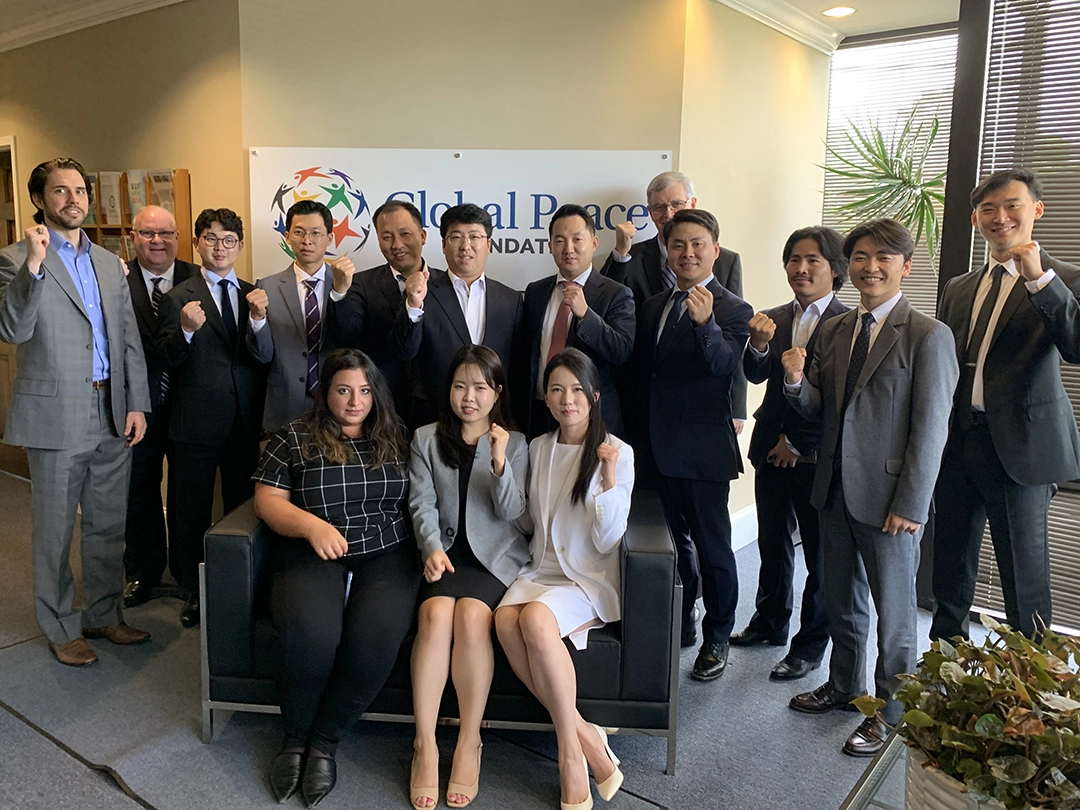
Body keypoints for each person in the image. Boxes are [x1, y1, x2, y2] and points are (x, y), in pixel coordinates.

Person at [784, 219, 958, 757]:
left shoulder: (929, 335)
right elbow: (819, 410)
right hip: (833, 490)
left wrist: (911, 504)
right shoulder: (836, 331)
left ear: (906, 266)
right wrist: (793, 382)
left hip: (889, 503)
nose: (871, 266)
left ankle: (892, 714)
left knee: (896, 615)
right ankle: (843, 688)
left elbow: (932, 430)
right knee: (843, 602)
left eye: (884, 257)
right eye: (861, 256)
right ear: (848, 266)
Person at [0, 157, 150, 666]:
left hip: (112, 406)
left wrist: (137, 404)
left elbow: (127, 339)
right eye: (60, 191)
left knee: (108, 523)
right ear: (40, 200)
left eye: (80, 190)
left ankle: (104, 613)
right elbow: (12, 329)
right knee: (55, 528)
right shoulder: (16, 258)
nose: (74, 199)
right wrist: (35, 267)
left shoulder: (110, 262)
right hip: (57, 413)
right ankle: (60, 625)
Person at [254, 348, 420, 808]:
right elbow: (267, 501)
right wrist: (312, 526)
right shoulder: (293, 436)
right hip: (314, 546)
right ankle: (294, 739)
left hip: (387, 551)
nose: (354, 401)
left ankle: (325, 741)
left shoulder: (396, 436)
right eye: (343, 390)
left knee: (376, 638)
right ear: (325, 391)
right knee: (311, 633)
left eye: (364, 391)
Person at [930, 168, 1080, 642]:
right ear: (976, 219)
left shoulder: (1065, 280)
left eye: (1012, 205)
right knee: (950, 565)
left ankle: (1029, 683)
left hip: (1021, 448)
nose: (1001, 217)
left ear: (1035, 210)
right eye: (988, 209)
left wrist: (1039, 280)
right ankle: (942, 666)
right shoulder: (958, 287)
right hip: (958, 441)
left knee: (1024, 577)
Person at [495, 348, 634, 810]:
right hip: (540, 569)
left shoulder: (617, 452)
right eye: (556, 390)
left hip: (585, 577)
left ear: (593, 396)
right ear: (546, 398)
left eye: (576, 390)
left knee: (534, 621)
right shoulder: (538, 448)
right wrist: (499, 471)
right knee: (503, 621)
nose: (566, 399)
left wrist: (609, 479)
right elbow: (530, 525)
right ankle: (584, 733)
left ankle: (570, 758)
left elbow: (610, 539)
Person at [407, 344, 530, 809]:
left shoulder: (515, 444)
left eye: (480, 387)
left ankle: (468, 741)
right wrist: (431, 548)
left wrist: (499, 462)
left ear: (496, 392)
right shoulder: (424, 439)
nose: (469, 397)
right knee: (436, 616)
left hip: (493, 558)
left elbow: (515, 515)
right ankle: (423, 744)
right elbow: (421, 504)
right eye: (460, 386)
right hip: (444, 554)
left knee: (472, 618)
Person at [634, 209, 752, 681]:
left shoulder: (732, 309)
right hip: (655, 448)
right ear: (667, 249)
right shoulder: (654, 305)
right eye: (678, 244)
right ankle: (683, 619)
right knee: (672, 546)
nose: (687, 253)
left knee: (713, 548)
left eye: (697, 244)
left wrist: (706, 325)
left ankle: (718, 635)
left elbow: (724, 368)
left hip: (702, 452)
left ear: (715, 250)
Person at [730, 227, 849, 680]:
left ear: (834, 270)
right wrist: (757, 344)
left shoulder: (847, 321)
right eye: (794, 260)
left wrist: (798, 445)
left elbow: (841, 399)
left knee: (818, 554)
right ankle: (770, 621)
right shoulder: (774, 316)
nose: (801, 268)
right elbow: (757, 375)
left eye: (812, 260)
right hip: (768, 448)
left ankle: (809, 645)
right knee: (771, 541)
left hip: (814, 456)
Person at [155, 208, 267, 628]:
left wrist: (258, 322)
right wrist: (184, 330)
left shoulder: (253, 295)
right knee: (191, 511)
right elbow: (166, 359)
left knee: (242, 508)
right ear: (198, 243)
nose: (220, 247)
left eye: (228, 240)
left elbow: (263, 357)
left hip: (243, 422)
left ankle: (236, 584)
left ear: (239, 246)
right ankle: (193, 590)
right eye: (211, 239)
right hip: (195, 425)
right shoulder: (179, 296)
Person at [601, 170, 747, 434]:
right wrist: (620, 254)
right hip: (645, 409)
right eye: (659, 207)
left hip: (698, 414)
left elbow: (732, 343)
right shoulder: (631, 255)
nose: (668, 213)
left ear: (692, 203)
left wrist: (737, 406)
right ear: (649, 211)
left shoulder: (726, 260)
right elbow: (607, 301)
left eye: (676, 204)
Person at [122, 204, 200, 608]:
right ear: (132, 237)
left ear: (178, 237)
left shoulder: (197, 277)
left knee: (188, 497)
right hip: (138, 407)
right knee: (140, 492)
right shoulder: (116, 280)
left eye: (166, 233)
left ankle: (189, 578)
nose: (158, 241)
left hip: (189, 407)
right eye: (148, 233)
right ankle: (143, 572)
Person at [394, 203, 524, 429]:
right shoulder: (422, 292)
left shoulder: (511, 300)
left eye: (475, 237)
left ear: (489, 245)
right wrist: (413, 304)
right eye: (456, 237)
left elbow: (517, 370)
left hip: (493, 425)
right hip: (434, 421)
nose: (466, 246)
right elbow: (404, 351)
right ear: (444, 245)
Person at [522, 204, 634, 439]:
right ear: (550, 246)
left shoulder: (616, 293)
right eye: (560, 241)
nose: (568, 249)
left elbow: (621, 351)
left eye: (577, 239)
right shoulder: (536, 291)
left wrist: (586, 315)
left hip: (592, 418)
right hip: (541, 414)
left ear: (593, 243)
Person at [249, 199, 350, 432]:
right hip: (284, 405)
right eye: (299, 232)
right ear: (287, 237)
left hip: (335, 403)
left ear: (330, 238)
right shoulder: (267, 287)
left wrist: (342, 291)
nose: (307, 241)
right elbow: (261, 355)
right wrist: (257, 319)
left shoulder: (346, 284)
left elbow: (349, 340)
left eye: (316, 233)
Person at [329, 200, 431, 422]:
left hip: (436, 411)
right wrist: (340, 290)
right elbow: (345, 338)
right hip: (380, 410)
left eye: (405, 234)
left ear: (422, 236)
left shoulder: (446, 285)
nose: (396, 244)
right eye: (386, 237)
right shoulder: (362, 284)